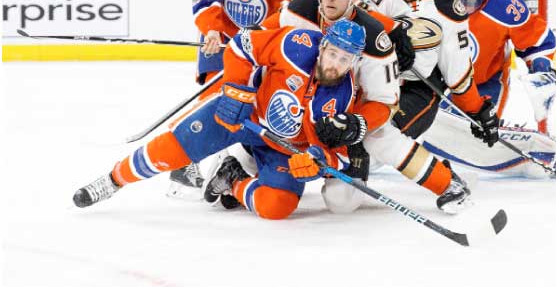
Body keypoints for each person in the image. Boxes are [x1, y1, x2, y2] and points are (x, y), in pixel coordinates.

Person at [72, 21, 369, 221]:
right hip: (242, 116)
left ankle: (234, 179)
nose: (335, 64)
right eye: (332, 54)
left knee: (277, 207)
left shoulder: (345, 95)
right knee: (173, 149)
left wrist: (316, 161)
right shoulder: (296, 42)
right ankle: (113, 180)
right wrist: (237, 90)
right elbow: (243, 45)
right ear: (323, 46)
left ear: (354, 62)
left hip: (279, 146)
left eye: (345, 59)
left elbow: (338, 156)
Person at [257, 0, 472, 213]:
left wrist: (356, 124)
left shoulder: (373, 40)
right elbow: (266, 35)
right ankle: (238, 165)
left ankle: (447, 183)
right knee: (257, 108)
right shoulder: (305, 4)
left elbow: (384, 103)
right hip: (302, 98)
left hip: (342, 111)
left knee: (345, 198)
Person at [168, 0, 310, 195]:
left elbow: (301, 11)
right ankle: (182, 160)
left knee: (256, 107)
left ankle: (244, 165)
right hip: (222, 38)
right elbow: (205, 0)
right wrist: (210, 30)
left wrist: (263, 35)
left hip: (265, 43)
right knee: (212, 99)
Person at [431, 0, 556, 176]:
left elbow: (537, 41)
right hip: (439, 81)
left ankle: (531, 154)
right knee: (429, 124)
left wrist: (541, 67)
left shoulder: (506, 5)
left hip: (486, 82)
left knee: (479, 135)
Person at [359, 0, 500, 149]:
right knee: (352, 128)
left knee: (378, 138)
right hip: (374, 80)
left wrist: (477, 109)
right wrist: (392, 31)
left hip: (418, 88)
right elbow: (352, 16)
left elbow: (457, 74)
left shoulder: (449, 10)